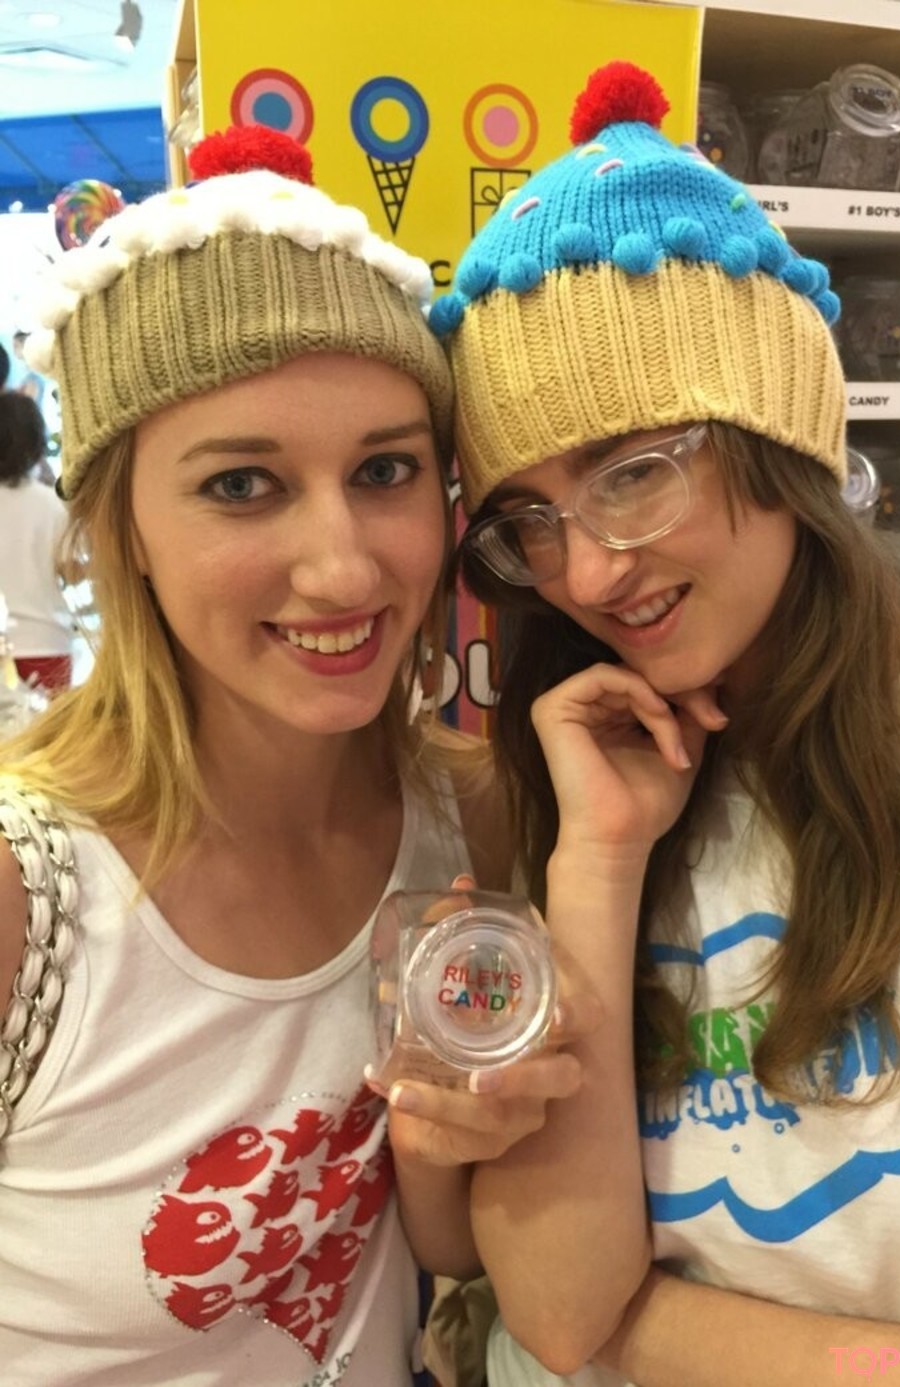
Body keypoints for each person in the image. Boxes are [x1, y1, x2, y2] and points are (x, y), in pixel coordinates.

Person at [429, 61, 900, 1386]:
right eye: (530, 520)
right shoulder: (594, 771)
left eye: (633, 471)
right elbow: (552, 1306)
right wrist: (598, 863)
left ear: (778, 433)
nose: (586, 572)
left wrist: (632, 1320)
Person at [0, 125, 580, 1387]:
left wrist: (447, 1135)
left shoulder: (469, 818)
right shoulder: (24, 895)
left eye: (386, 469)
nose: (344, 566)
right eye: (241, 486)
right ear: (122, 525)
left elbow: (426, 1249)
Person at [0, 390, 74, 692]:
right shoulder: (51, 504)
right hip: (46, 640)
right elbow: (71, 570)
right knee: (51, 724)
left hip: (4, 642)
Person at [10, 330, 45, 407]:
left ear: (25, 345)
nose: (13, 351)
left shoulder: (34, 373)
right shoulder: (26, 371)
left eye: (16, 346)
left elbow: (29, 403)